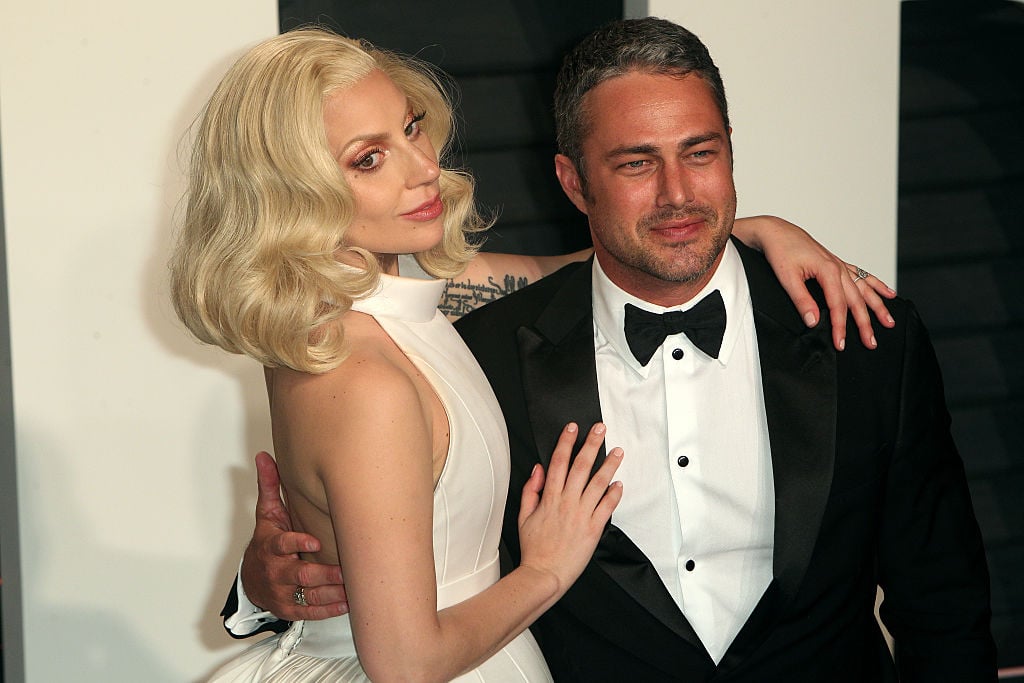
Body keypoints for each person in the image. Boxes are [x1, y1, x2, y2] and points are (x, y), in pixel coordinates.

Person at [205, 24, 908, 682]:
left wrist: (741, 229)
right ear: (294, 193)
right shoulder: (402, 364)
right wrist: (545, 570)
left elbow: (571, 271)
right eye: (369, 158)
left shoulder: (387, 313)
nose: (423, 168)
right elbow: (404, 659)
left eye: (412, 127)